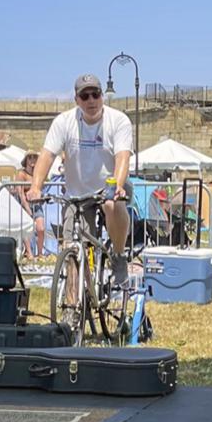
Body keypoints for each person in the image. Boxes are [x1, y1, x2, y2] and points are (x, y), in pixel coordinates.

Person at [27, 74, 134, 286]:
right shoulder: (64, 122)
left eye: (95, 94)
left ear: (103, 96)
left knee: (113, 204)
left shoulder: (118, 120)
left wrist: (118, 185)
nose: (91, 100)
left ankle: (119, 256)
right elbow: (47, 155)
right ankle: (73, 307)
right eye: (85, 96)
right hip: (77, 193)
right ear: (77, 100)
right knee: (72, 248)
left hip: (109, 188)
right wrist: (35, 187)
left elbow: (122, 157)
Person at [16, 152, 46, 259]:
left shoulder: (38, 174)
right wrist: (26, 207)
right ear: (26, 160)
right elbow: (20, 193)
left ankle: (40, 253)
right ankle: (29, 253)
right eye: (30, 157)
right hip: (25, 204)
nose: (32, 160)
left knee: (41, 228)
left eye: (35, 157)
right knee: (27, 228)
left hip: (37, 203)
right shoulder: (21, 174)